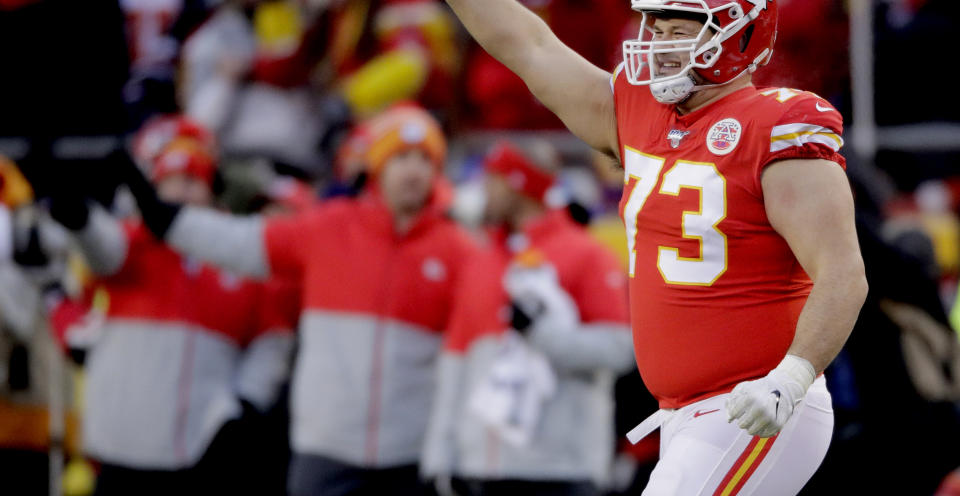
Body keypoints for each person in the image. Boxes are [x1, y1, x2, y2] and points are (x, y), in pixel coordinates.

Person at [396, 0, 868, 495]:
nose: (661, 44)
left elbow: (843, 274)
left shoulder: (777, 124)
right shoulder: (641, 112)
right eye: (657, 27)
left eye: (681, 29)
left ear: (742, 35)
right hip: (687, 413)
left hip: (756, 407)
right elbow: (532, 49)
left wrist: (792, 376)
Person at [117, 103, 477, 496]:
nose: (413, 170)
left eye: (425, 159)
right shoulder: (329, 226)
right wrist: (166, 218)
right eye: (401, 157)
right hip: (326, 447)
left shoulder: (457, 251)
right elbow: (242, 242)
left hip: (408, 453)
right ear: (377, 166)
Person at [46, 120, 296, 496]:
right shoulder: (134, 240)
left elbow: (271, 337)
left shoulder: (236, 253)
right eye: (171, 181)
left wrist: (247, 400)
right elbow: (102, 247)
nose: (181, 191)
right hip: (121, 442)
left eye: (193, 181)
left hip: (201, 441)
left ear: (213, 190)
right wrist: (79, 217)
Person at [422, 140, 634, 496]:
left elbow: (619, 350)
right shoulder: (481, 259)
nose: (483, 189)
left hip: (561, 469)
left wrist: (543, 333)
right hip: (483, 468)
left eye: (492, 178)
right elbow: (456, 360)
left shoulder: (587, 254)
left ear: (518, 183)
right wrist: (440, 456)